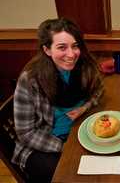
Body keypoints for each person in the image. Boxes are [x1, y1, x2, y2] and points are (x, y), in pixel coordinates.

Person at [11, 18, 104, 182]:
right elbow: (25, 133)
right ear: (47, 50)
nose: (71, 54)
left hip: (79, 130)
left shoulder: (84, 64)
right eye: (62, 47)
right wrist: (65, 148)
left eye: (75, 46)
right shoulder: (30, 79)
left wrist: (85, 107)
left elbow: (99, 90)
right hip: (45, 143)